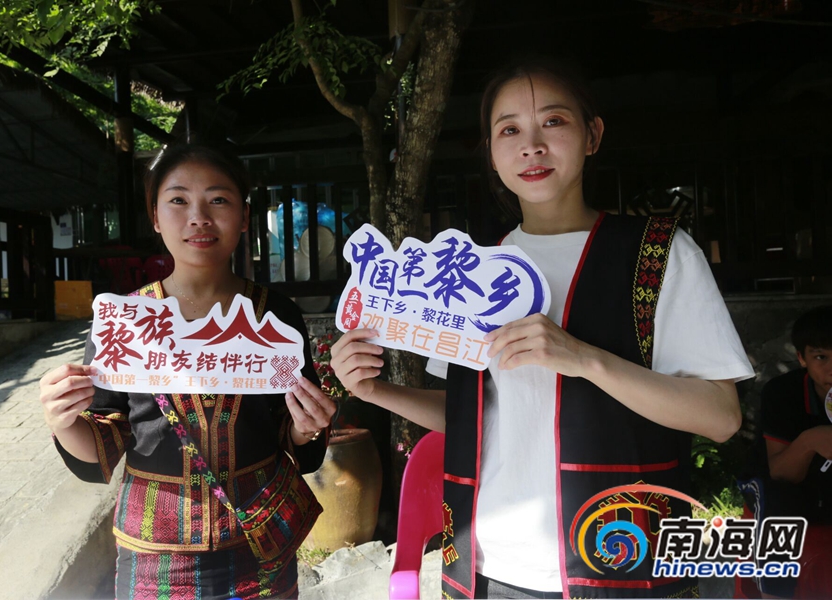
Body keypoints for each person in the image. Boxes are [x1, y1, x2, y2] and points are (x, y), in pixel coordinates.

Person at [331, 57, 754, 599]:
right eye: (509, 130)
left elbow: (720, 417)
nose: (531, 146)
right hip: (489, 567)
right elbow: (472, 418)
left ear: (592, 135)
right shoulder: (473, 271)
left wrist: (583, 358)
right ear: (491, 152)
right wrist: (375, 391)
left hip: (621, 564)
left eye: (553, 121)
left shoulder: (658, 254)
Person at [39, 144, 337, 600]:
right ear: (155, 217)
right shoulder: (125, 320)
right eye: (178, 200)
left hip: (261, 539)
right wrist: (62, 420)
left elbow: (295, 434)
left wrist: (307, 427)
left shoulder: (276, 316)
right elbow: (100, 444)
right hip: (156, 550)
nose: (198, 217)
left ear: (244, 216)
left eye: (218, 199)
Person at [737, 306, 832, 599]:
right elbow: (781, 473)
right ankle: (774, 594)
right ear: (802, 358)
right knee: (777, 500)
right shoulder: (783, 393)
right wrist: (810, 441)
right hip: (780, 483)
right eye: (821, 357)